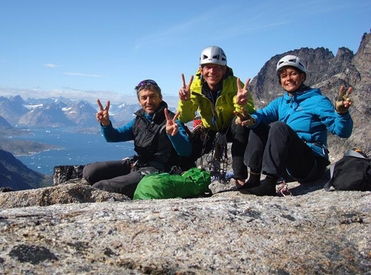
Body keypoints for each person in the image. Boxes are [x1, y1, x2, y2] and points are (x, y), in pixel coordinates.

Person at [235, 55, 354, 196]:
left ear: (302, 77)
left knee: (279, 127)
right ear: (280, 81)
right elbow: (263, 114)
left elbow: (342, 131)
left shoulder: (317, 100)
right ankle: (254, 178)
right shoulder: (281, 102)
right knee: (257, 124)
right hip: (289, 165)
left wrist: (342, 113)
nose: (288, 79)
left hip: (310, 164)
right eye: (284, 76)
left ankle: (269, 183)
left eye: (293, 74)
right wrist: (251, 118)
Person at [82, 79, 192, 199]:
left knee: (101, 187)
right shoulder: (139, 120)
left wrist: (173, 135)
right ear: (139, 101)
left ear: (160, 97)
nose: (148, 101)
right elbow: (113, 136)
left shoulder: (172, 121)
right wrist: (106, 124)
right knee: (89, 172)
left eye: (152, 96)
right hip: (137, 164)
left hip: (157, 171)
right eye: (144, 98)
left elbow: (186, 151)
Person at [177, 45, 256, 187]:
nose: (212, 71)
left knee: (239, 124)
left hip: (231, 128)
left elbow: (245, 114)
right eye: (207, 67)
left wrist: (241, 104)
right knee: (190, 150)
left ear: (224, 69)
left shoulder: (235, 84)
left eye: (217, 67)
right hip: (210, 128)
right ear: (201, 69)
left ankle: (240, 178)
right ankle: (186, 180)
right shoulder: (194, 87)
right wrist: (185, 101)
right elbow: (185, 118)